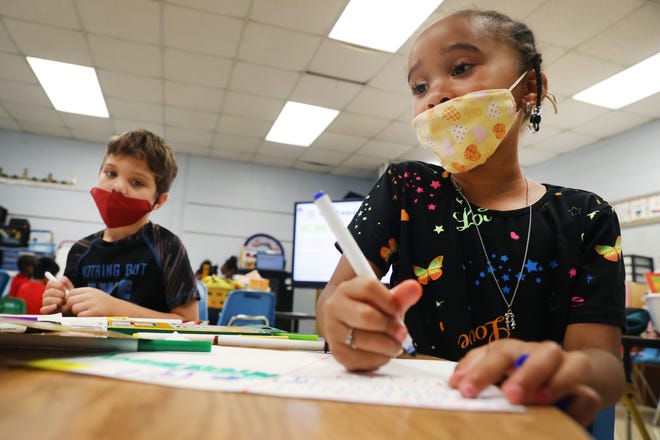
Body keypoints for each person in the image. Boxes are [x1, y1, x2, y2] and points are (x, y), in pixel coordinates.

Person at [316, 9, 625, 427]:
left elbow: (605, 363)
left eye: (460, 68)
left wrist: (571, 371)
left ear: (529, 87)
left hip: (522, 423)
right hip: (407, 418)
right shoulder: (406, 187)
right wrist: (343, 322)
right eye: (419, 86)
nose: (434, 95)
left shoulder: (586, 216)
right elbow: (335, 296)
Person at [41, 129, 199, 320]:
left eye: (137, 182)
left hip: (149, 350)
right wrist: (62, 306)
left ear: (159, 200)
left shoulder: (167, 246)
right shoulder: (80, 250)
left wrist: (115, 309)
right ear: (99, 174)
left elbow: (190, 321)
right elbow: (70, 320)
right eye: (111, 173)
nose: (117, 187)